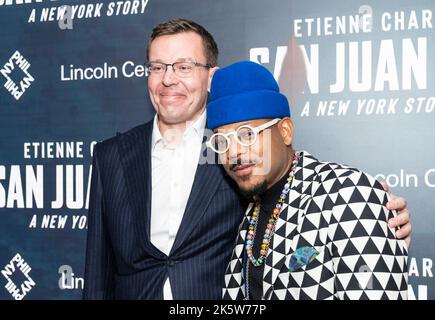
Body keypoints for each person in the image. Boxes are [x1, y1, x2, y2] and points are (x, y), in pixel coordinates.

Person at [83, 19, 411, 300]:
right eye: (157, 67)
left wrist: (371, 212)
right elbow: (98, 271)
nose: (169, 78)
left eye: (184, 66)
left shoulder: (334, 190)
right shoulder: (112, 156)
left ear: (210, 76)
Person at [205, 61, 408, 300]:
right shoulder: (250, 212)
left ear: (285, 131)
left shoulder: (350, 194)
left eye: (247, 134)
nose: (234, 153)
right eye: (222, 142)